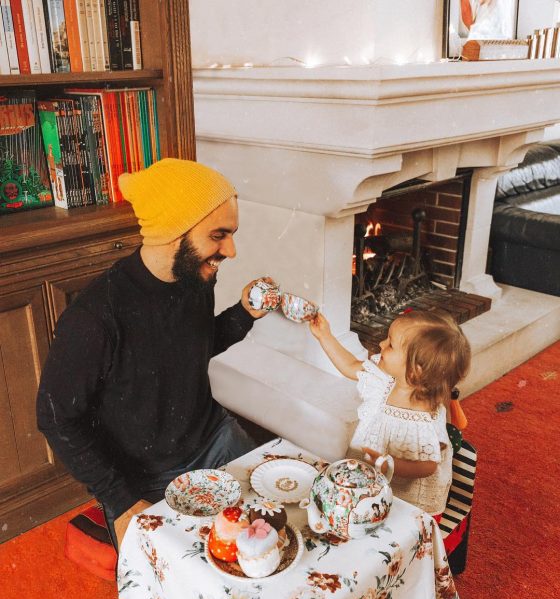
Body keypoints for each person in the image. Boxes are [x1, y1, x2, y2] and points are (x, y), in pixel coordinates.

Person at [37, 158, 272, 549]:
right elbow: (55, 416)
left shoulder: (195, 279)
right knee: (180, 585)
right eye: (219, 235)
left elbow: (192, 347)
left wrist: (244, 314)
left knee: (272, 528)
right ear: (172, 232)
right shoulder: (95, 316)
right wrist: (121, 499)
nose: (231, 250)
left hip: (214, 436)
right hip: (140, 475)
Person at [309, 310, 471, 516]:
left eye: (391, 344)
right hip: (371, 480)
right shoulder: (384, 379)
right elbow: (350, 366)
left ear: (415, 370)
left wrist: (390, 464)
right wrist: (325, 336)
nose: (381, 345)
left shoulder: (424, 418)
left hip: (408, 501)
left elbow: (428, 466)